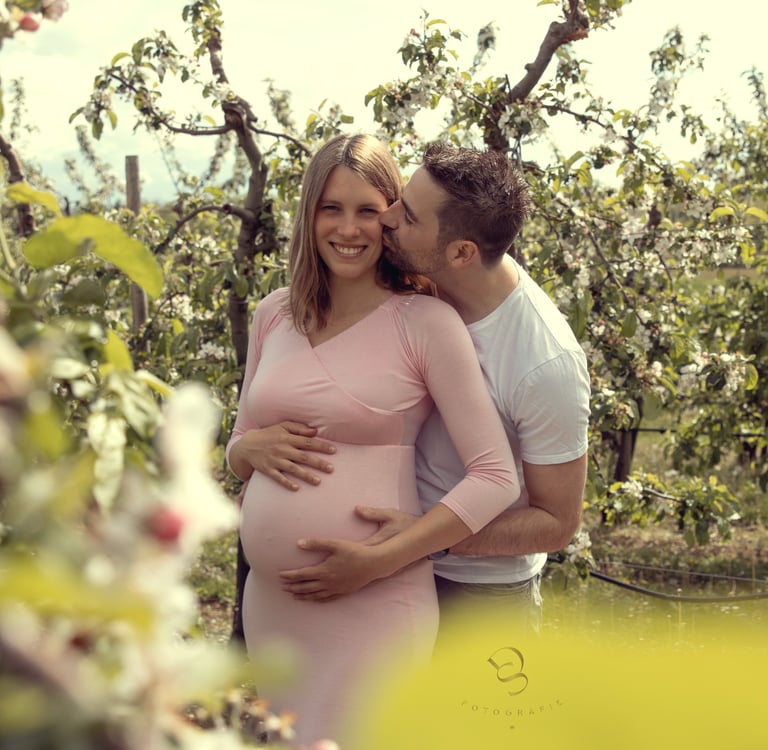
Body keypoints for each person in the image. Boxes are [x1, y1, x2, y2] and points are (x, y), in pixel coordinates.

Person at [226, 134, 520, 746]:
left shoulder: (425, 322)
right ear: (309, 215)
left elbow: (495, 476)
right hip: (274, 609)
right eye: (331, 208)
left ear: (390, 217)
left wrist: (381, 560)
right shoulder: (273, 314)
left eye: (367, 210)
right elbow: (242, 442)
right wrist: (241, 452)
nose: (349, 229)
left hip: (377, 602)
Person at [266, 142, 591, 631]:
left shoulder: (544, 363)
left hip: (476, 595)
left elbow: (557, 523)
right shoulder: (412, 287)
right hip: (377, 584)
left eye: (408, 216)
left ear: (461, 252)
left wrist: (417, 540)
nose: (388, 218)